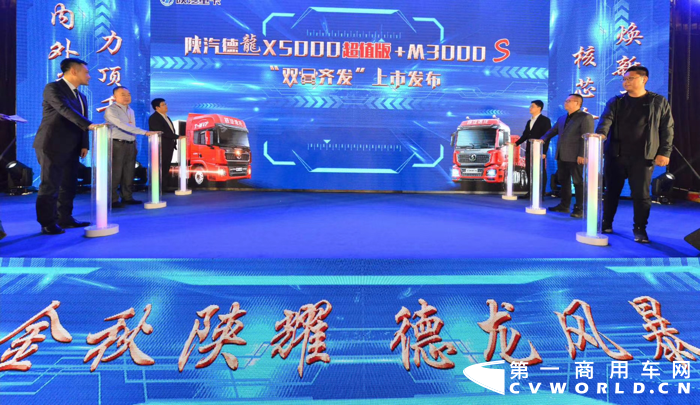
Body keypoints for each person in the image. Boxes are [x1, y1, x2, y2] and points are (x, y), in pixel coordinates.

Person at [595, 66, 673, 243]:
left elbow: (667, 129)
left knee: (641, 195)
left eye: (630, 78)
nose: (626, 82)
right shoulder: (616, 101)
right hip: (615, 155)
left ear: (644, 79)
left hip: (643, 157)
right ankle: (606, 223)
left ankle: (640, 229)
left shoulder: (658, 101)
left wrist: (664, 152)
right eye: (624, 79)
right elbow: (605, 121)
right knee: (611, 192)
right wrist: (601, 135)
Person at [33, 58, 99, 235]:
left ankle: (65, 218)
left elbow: (81, 120)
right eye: (86, 72)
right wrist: (90, 125)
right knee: (50, 185)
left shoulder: (82, 96)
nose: (89, 76)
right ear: (74, 71)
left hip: (73, 147)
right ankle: (47, 222)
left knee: (69, 185)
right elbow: (64, 110)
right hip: (52, 144)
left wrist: (84, 143)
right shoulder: (53, 88)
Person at [104, 87, 159, 208]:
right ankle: (112, 199)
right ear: (115, 97)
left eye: (128, 94)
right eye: (123, 94)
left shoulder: (131, 110)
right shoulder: (111, 110)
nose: (126, 97)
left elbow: (131, 128)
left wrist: (135, 142)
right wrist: (144, 132)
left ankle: (127, 197)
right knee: (116, 172)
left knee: (129, 172)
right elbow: (122, 125)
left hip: (130, 143)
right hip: (117, 143)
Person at [542, 94, 594, 218]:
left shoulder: (585, 117)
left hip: (576, 156)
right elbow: (552, 131)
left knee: (577, 182)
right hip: (562, 154)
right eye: (566, 100)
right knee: (563, 181)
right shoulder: (562, 118)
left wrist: (582, 154)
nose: (565, 103)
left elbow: (586, 137)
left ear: (577, 103)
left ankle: (579, 208)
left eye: (569, 101)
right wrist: (542, 139)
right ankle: (564, 205)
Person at [515, 100, 552, 198]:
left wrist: (544, 152)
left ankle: (540, 194)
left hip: (539, 150)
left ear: (539, 108)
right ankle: (530, 192)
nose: (530, 108)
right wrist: (516, 143)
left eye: (532, 106)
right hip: (529, 150)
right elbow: (525, 135)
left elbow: (547, 137)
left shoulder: (545, 120)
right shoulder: (529, 121)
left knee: (540, 171)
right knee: (529, 171)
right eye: (530, 106)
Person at [148, 98, 183, 191]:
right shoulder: (154, 118)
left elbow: (170, 131)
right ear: (157, 107)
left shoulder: (166, 117)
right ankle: (157, 188)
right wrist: (177, 137)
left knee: (166, 166)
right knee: (159, 167)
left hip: (168, 146)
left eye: (165, 104)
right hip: (160, 146)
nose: (166, 106)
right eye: (163, 105)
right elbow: (162, 132)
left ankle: (164, 187)